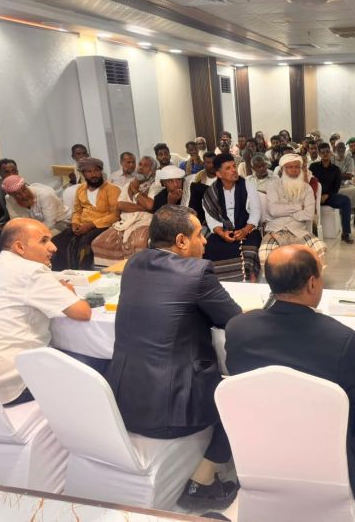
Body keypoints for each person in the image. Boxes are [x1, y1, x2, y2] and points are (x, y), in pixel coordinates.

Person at [224, 245, 355, 503]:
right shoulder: (339, 339)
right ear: (312, 283)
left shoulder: (237, 328)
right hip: (323, 450)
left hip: (262, 437)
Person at [105, 205, 241, 510]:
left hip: (125, 399)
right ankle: (203, 480)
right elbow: (232, 319)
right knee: (241, 396)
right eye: (199, 235)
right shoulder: (197, 272)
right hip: (174, 408)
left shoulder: (134, 264)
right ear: (181, 241)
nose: (205, 241)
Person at [0, 218, 91, 406]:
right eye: (44, 241)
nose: (53, 247)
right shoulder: (31, 271)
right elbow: (82, 312)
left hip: (1, 379)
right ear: (19, 247)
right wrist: (68, 292)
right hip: (14, 382)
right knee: (95, 362)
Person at [51, 158, 120, 271]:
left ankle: (83, 272)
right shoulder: (81, 189)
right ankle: (61, 272)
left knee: (84, 244)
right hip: (82, 224)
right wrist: (75, 223)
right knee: (57, 240)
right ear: (83, 174)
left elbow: (115, 215)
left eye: (96, 170)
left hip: (103, 225)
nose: (94, 175)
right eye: (89, 171)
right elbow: (77, 211)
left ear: (101, 171)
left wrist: (91, 225)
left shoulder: (112, 189)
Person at [203, 154, 262, 282]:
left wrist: (245, 230)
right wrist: (222, 234)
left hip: (248, 229)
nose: (234, 170)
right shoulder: (211, 192)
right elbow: (211, 219)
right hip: (223, 232)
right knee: (210, 248)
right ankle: (219, 284)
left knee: (250, 250)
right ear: (219, 174)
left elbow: (256, 212)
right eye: (228, 168)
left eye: (234, 166)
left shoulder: (248, 185)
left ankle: (251, 285)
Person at [259, 154, 326, 266]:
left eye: (297, 167)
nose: (294, 170)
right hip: (276, 230)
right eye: (290, 167)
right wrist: (299, 207)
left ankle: (310, 277)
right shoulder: (273, 186)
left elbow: (309, 214)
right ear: (282, 170)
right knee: (264, 252)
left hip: (298, 230)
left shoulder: (307, 188)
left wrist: (286, 212)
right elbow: (273, 211)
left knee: (319, 247)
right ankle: (274, 278)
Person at [91, 157, 157, 266]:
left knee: (138, 244)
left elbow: (150, 205)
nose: (140, 168)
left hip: (145, 222)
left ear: (153, 171)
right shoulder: (129, 185)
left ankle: (136, 272)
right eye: (140, 164)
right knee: (98, 242)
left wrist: (135, 191)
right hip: (125, 222)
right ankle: (111, 273)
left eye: (146, 166)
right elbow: (121, 205)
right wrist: (144, 206)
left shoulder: (156, 185)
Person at [310, 142, 354, 244]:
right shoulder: (313, 167)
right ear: (319, 154)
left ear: (330, 153)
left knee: (345, 201)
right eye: (322, 152)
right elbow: (310, 183)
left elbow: (336, 187)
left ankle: (345, 233)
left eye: (327, 152)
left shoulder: (335, 169)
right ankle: (312, 234)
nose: (325, 154)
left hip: (329, 197)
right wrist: (317, 196)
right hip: (314, 197)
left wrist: (327, 195)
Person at [2, 175, 71, 236]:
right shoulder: (9, 199)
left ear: (26, 185)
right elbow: (16, 221)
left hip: (61, 222)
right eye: (17, 194)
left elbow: (50, 222)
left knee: (39, 242)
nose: (24, 195)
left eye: (24, 190)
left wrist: (32, 234)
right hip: (37, 227)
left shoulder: (45, 195)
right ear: (11, 195)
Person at [184, 152, 217, 225]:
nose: (212, 165)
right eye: (208, 162)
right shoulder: (198, 177)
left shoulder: (223, 176)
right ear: (204, 164)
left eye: (214, 162)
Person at [0, 158, 19, 230]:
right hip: (3, 226)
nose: (11, 175)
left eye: (14, 171)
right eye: (6, 172)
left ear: (17, 172)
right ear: (0, 174)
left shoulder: (25, 187)